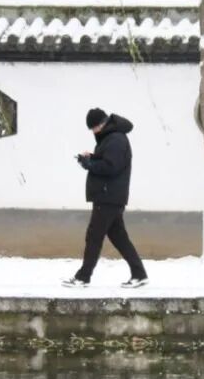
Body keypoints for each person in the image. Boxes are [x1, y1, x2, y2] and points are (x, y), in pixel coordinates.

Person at [63, 108, 148, 288]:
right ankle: (139, 274)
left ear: (101, 124)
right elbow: (108, 161)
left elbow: (111, 167)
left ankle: (83, 277)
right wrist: (91, 158)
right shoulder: (111, 138)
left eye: (93, 128)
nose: (93, 132)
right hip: (110, 195)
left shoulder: (116, 139)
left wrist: (90, 164)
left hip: (108, 196)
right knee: (119, 238)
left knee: (94, 236)